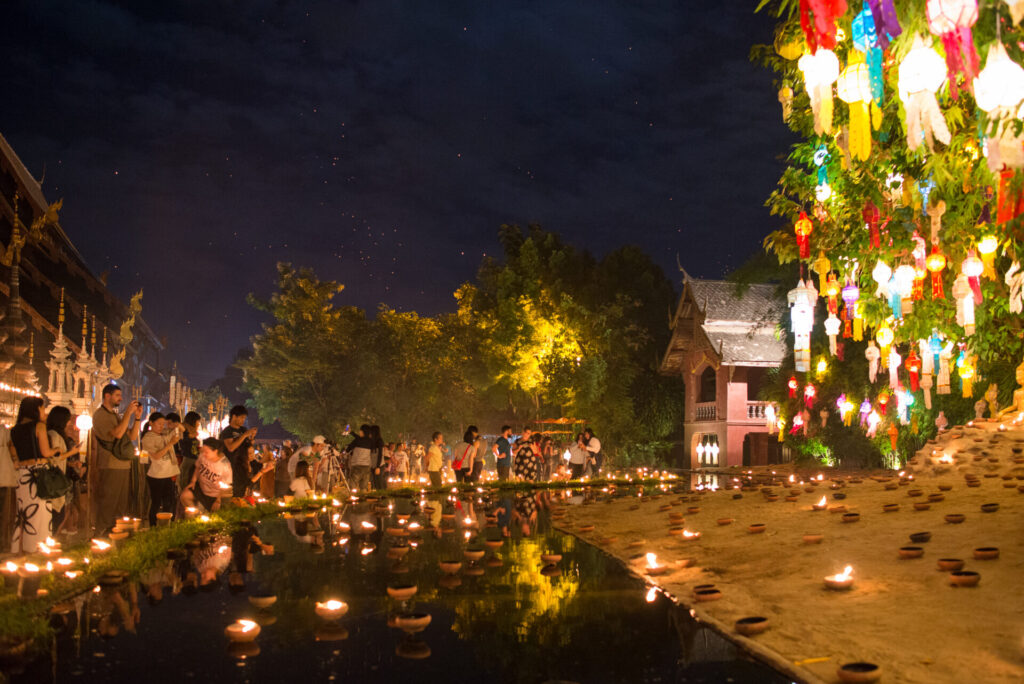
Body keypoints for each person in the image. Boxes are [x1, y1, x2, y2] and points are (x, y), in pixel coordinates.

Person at [10, 397, 70, 552]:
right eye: (42, 408)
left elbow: (13, 452)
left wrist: (18, 461)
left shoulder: (15, 429)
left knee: (23, 512)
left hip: (23, 475)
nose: (44, 411)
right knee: (40, 512)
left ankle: (20, 546)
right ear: (35, 409)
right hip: (38, 474)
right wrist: (56, 451)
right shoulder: (39, 426)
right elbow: (45, 452)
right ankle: (37, 547)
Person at [92, 384, 143, 533]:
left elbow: (132, 436)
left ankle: (117, 534)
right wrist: (127, 413)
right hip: (110, 464)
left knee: (121, 504)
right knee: (109, 501)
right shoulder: (100, 415)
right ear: (107, 396)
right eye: (117, 395)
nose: (120, 398)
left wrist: (137, 417)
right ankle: (100, 533)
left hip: (123, 464)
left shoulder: (115, 415)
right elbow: (118, 434)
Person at [45, 407, 84, 536]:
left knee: (60, 512)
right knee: (57, 513)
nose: (70, 423)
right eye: (68, 420)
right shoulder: (53, 435)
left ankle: (52, 539)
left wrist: (70, 462)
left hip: (60, 476)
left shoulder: (56, 435)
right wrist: (72, 453)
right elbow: (54, 458)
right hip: (55, 479)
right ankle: (50, 539)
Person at [141, 412, 181, 526]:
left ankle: (167, 525)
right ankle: (153, 527)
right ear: (151, 423)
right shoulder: (148, 438)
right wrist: (170, 444)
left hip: (168, 473)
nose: (161, 426)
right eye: (159, 424)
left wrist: (173, 422)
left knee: (169, 502)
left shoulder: (164, 434)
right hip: (157, 475)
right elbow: (156, 456)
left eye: (163, 424)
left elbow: (180, 428)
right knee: (156, 503)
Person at [181, 438, 233, 513]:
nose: (203, 453)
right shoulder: (203, 455)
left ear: (215, 451)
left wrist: (218, 500)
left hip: (215, 495)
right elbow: (197, 467)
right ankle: (196, 516)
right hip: (201, 489)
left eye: (207, 452)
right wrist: (193, 481)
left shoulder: (225, 466)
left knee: (214, 513)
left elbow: (225, 486)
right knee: (184, 496)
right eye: (203, 451)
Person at [219, 405, 257, 498]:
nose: (243, 420)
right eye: (242, 417)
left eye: (244, 418)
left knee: (244, 492)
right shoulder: (227, 432)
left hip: (244, 466)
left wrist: (252, 437)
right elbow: (231, 448)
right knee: (234, 493)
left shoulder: (243, 430)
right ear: (234, 416)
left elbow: (248, 445)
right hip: (232, 468)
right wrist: (244, 435)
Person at [177, 412, 201, 492]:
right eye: (198, 421)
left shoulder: (193, 432)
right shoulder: (184, 430)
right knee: (185, 483)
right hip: (188, 460)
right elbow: (178, 425)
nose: (199, 423)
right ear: (193, 421)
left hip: (195, 460)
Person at [346, 425, 374, 492]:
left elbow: (348, 449)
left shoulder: (357, 440)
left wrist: (345, 452)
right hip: (367, 466)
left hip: (357, 466)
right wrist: (352, 433)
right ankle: (363, 500)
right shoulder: (371, 441)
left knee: (353, 487)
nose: (359, 432)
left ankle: (353, 500)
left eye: (360, 430)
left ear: (362, 431)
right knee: (363, 488)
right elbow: (361, 439)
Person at [369, 425, 386, 490]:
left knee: (379, 483)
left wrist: (378, 467)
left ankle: (382, 496)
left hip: (379, 466)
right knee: (375, 483)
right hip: (373, 465)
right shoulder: (371, 441)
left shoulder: (379, 441)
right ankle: (378, 496)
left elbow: (380, 455)